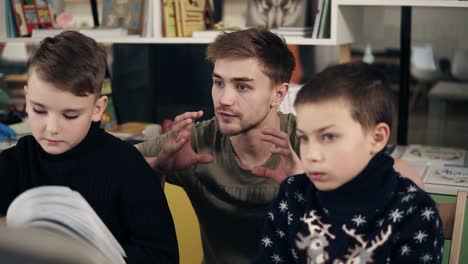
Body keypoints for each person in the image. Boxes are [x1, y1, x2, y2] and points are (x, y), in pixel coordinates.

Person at [136, 28, 424, 264]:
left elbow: (409, 180)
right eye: (218, 83)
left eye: (242, 86)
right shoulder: (195, 139)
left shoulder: (305, 139)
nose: (224, 99)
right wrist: (157, 167)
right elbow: (109, 166)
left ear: (278, 94)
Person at [0, 31, 178, 264]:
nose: (51, 128)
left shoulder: (127, 166)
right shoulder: (12, 163)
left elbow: (164, 258)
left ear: (98, 108)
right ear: (26, 97)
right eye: (39, 110)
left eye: (70, 115)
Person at [253, 63, 443, 263]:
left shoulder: (413, 211)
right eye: (304, 138)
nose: (311, 155)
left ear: (377, 138)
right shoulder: (293, 193)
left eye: (328, 137)